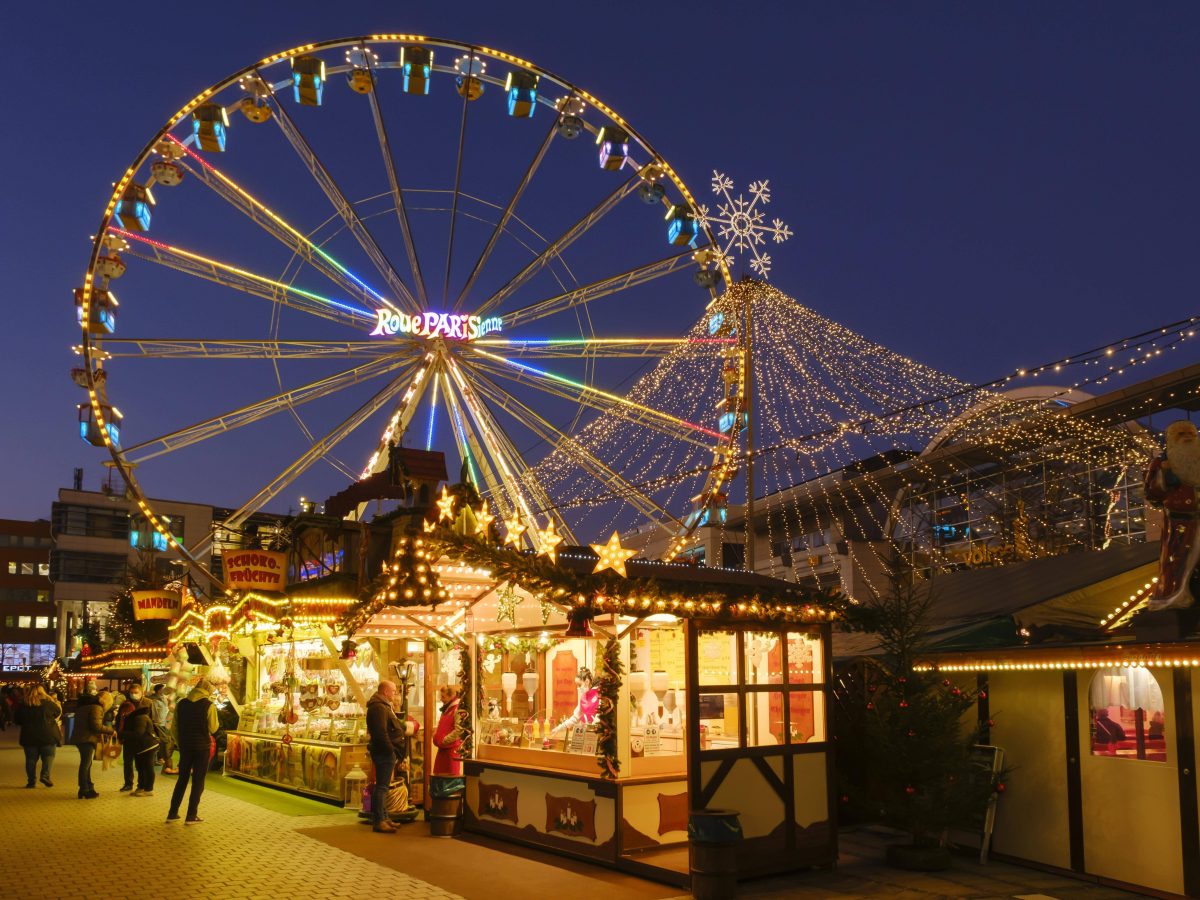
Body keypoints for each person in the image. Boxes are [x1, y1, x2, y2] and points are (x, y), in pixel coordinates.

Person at [1144, 420, 1200, 610]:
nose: (1187, 437)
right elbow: (1151, 494)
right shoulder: (1160, 463)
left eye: (1190, 433)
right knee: (1178, 562)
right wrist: (1165, 474)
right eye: (1181, 434)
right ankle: (1175, 597)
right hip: (1180, 522)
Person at [167, 678, 219, 824]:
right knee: (198, 781)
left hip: (185, 747)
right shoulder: (209, 705)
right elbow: (214, 728)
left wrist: (180, 743)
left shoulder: (181, 704)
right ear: (208, 691)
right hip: (202, 747)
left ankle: (172, 813)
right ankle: (191, 815)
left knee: (182, 779)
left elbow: (174, 727)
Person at [366, 680, 411, 833]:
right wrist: (390, 750)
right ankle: (379, 821)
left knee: (383, 786)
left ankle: (384, 817)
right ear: (385, 691)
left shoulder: (382, 705)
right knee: (382, 787)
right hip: (384, 752)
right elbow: (380, 732)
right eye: (393, 691)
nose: (395, 693)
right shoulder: (379, 707)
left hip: (385, 752)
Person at [15, 684, 62, 788]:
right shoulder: (49, 703)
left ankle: (31, 781)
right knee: (48, 756)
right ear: (42, 692)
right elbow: (57, 712)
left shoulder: (23, 704)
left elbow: (17, 720)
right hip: (48, 735)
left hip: (29, 736)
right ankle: (45, 775)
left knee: (30, 759)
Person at [72, 690, 115, 798]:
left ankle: (89, 787)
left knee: (87, 764)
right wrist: (111, 731)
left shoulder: (84, 706)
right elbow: (96, 726)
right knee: (85, 764)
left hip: (81, 737)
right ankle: (84, 789)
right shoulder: (96, 708)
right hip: (87, 738)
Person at [121, 687, 159, 796]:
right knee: (141, 767)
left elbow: (139, 733)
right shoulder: (136, 717)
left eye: (125, 712)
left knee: (147, 767)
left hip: (147, 746)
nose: (123, 714)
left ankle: (148, 789)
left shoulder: (140, 717)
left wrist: (123, 734)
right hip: (140, 747)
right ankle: (141, 787)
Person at [545, 667, 598, 745]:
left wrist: (591, 729)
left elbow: (599, 718)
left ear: (587, 681)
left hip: (595, 736)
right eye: (577, 685)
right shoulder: (583, 697)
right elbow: (575, 718)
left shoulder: (599, 695)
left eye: (579, 685)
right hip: (583, 734)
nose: (578, 688)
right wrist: (559, 728)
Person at [117, 682, 153, 791]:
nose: (134, 694)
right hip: (128, 736)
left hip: (142, 738)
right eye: (131, 692)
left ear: (142, 693)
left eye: (136, 692)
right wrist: (120, 734)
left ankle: (141, 785)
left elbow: (153, 719)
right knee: (127, 762)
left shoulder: (148, 703)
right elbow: (119, 719)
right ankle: (128, 783)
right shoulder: (125, 704)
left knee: (140, 763)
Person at [432, 684, 464, 776]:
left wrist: (444, 740)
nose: (441, 699)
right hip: (442, 751)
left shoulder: (457, 709)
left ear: (452, 696)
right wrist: (435, 736)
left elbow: (459, 730)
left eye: (443, 696)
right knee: (439, 777)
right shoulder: (447, 709)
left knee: (449, 779)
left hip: (451, 753)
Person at [150, 685, 176, 773]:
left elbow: (167, 709)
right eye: (162, 689)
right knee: (164, 741)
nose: (164, 690)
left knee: (163, 742)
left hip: (165, 722)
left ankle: (160, 759)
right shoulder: (154, 700)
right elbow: (154, 712)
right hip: (158, 723)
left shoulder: (164, 698)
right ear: (158, 690)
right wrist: (155, 722)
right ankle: (162, 760)